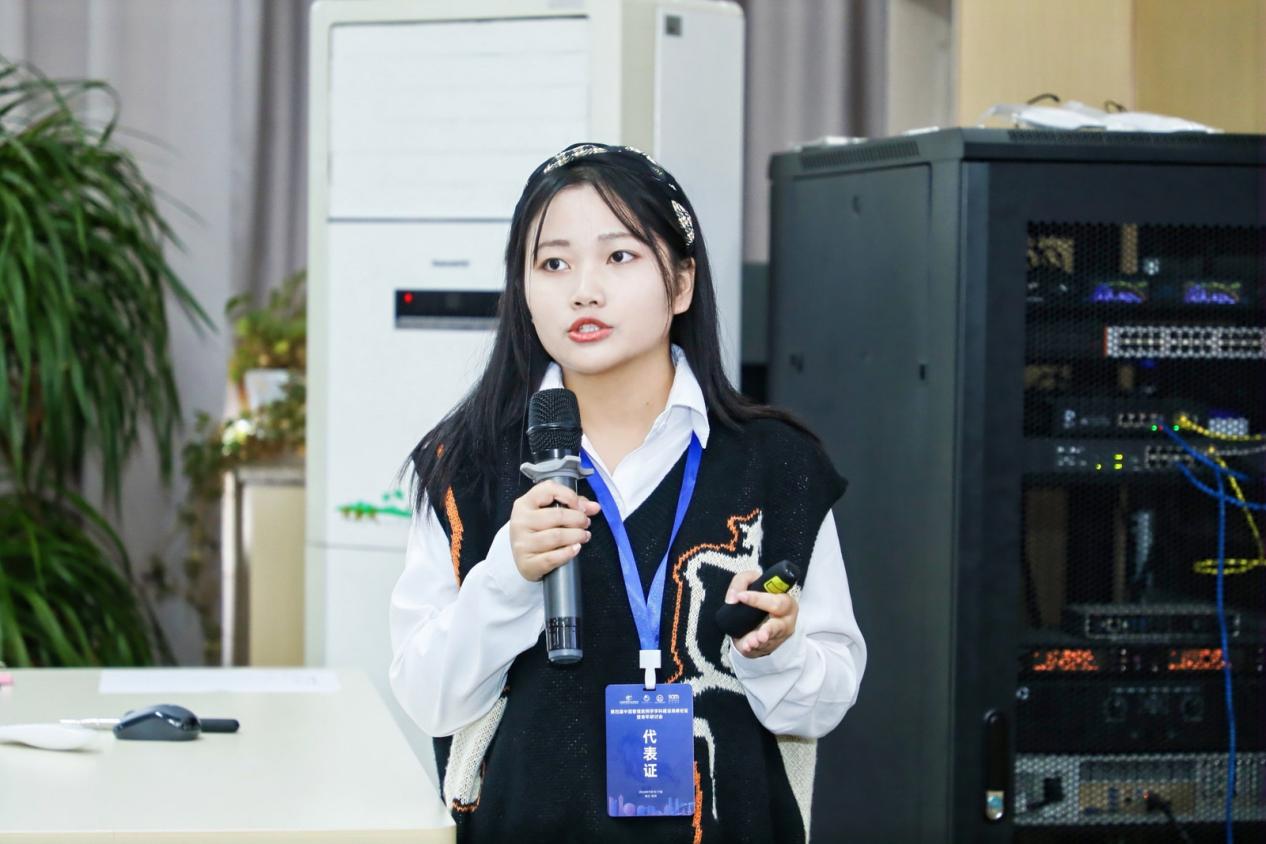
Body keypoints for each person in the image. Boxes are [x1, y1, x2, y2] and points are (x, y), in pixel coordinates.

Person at [390, 142, 866, 843]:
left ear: (682, 284)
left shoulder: (778, 465)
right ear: (523, 290)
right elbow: (428, 698)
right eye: (553, 264)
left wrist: (774, 652)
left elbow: (825, 706)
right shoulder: (466, 465)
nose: (584, 290)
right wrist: (509, 577)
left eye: (619, 256)